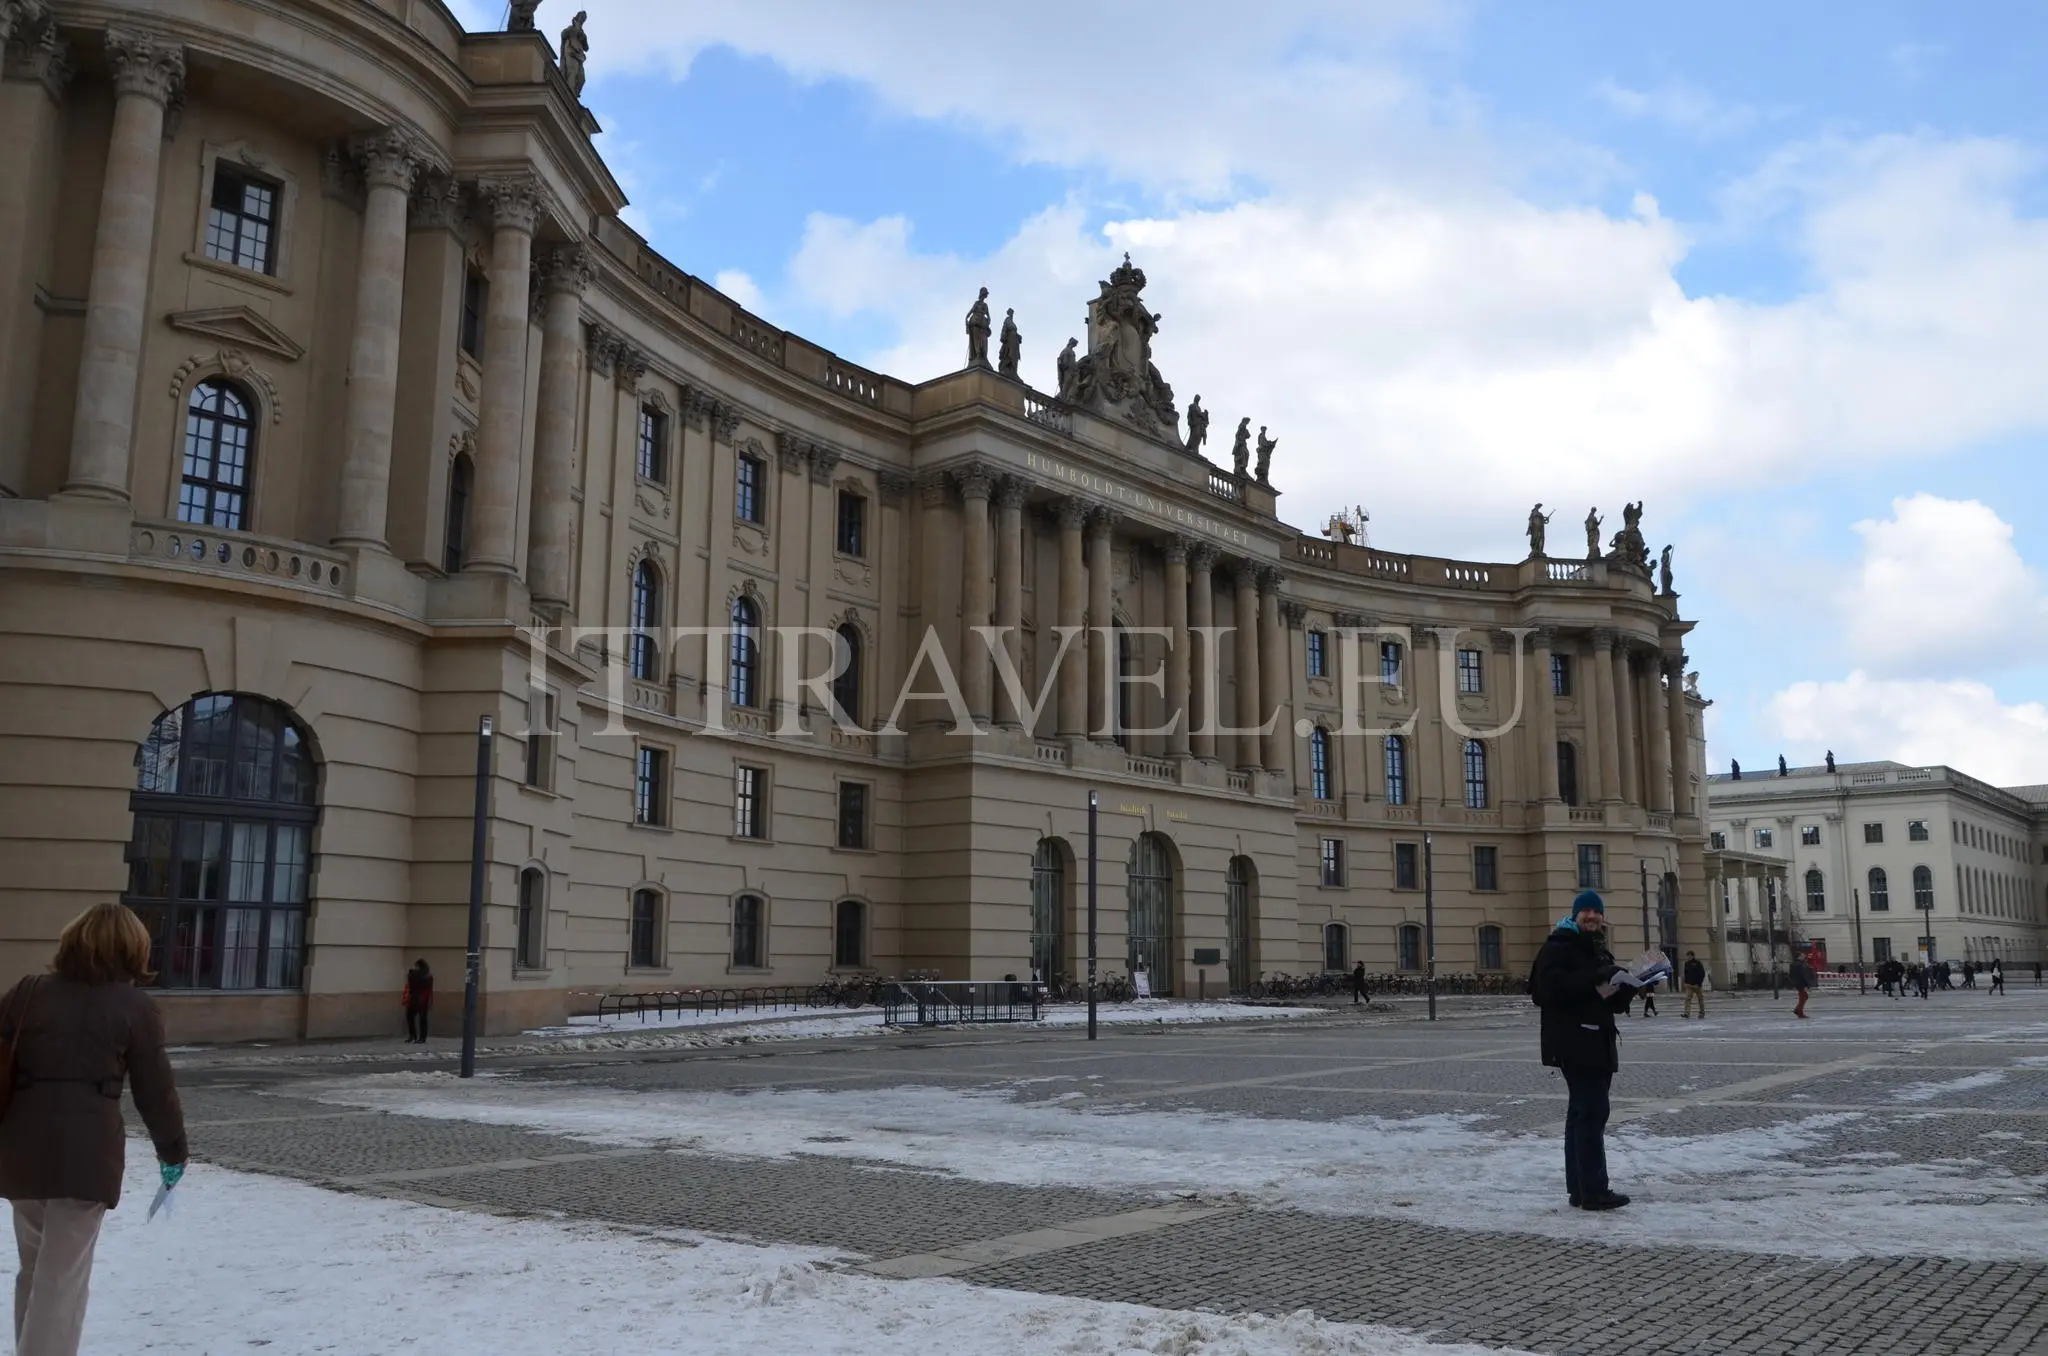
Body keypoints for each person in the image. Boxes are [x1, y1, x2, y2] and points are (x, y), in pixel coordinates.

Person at [0, 903, 187, 1356]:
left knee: (36, 1269)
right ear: (133, 949)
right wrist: (173, 1151)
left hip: (22, 1148)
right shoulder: (135, 1007)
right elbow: (154, 1089)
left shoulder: (28, 992)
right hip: (85, 1156)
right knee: (60, 1279)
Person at [1530, 889, 1635, 1211]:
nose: (1591, 916)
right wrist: (1595, 976)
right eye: (1585, 912)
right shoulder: (1559, 946)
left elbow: (1605, 997)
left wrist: (1630, 988)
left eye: (1596, 912)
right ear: (1575, 916)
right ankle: (1593, 1191)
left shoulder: (1597, 948)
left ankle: (1580, 1188)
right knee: (1591, 1113)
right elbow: (1543, 991)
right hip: (1574, 1041)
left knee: (1581, 1114)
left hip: (1597, 1039)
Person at [401, 959, 433, 1043]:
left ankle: (414, 1036)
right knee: (420, 1018)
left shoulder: (421, 975)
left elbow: (411, 985)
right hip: (421, 998)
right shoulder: (428, 975)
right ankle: (420, 1037)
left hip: (417, 998)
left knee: (412, 1017)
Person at [1680, 951, 1707, 1019]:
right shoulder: (1686, 963)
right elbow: (1686, 974)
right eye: (1688, 956)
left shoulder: (1698, 963)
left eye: (1689, 955)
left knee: (1700, 999)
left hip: (1697, 985)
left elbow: (1702, 974)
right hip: (1689, 985)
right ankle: (1686, 1013)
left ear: (1692, 956)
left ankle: (1702, 1012)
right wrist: (1686, 982)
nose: (1688, 957)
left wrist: (1699, 983)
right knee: (1687, 999)